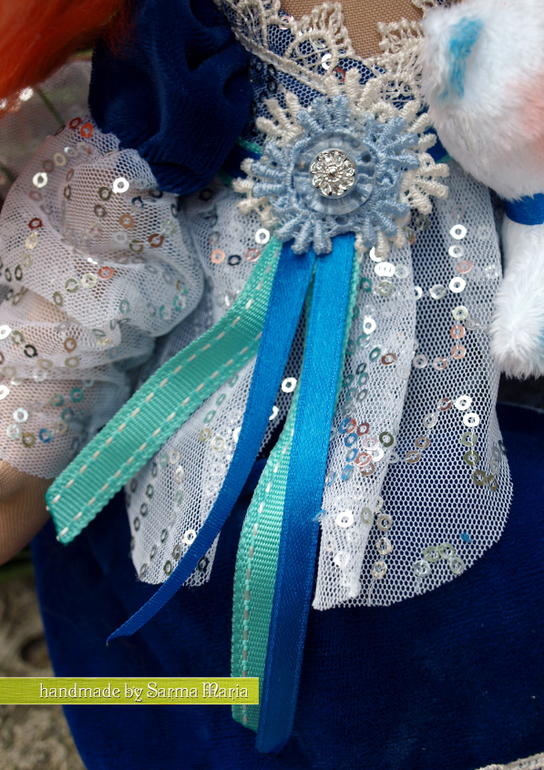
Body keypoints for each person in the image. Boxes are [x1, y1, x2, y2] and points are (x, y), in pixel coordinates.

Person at [0, 0, 543, 766]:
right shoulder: (187, 46)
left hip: (454, 472)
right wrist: (29, 426)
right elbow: (125, 203)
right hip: (198, 472)